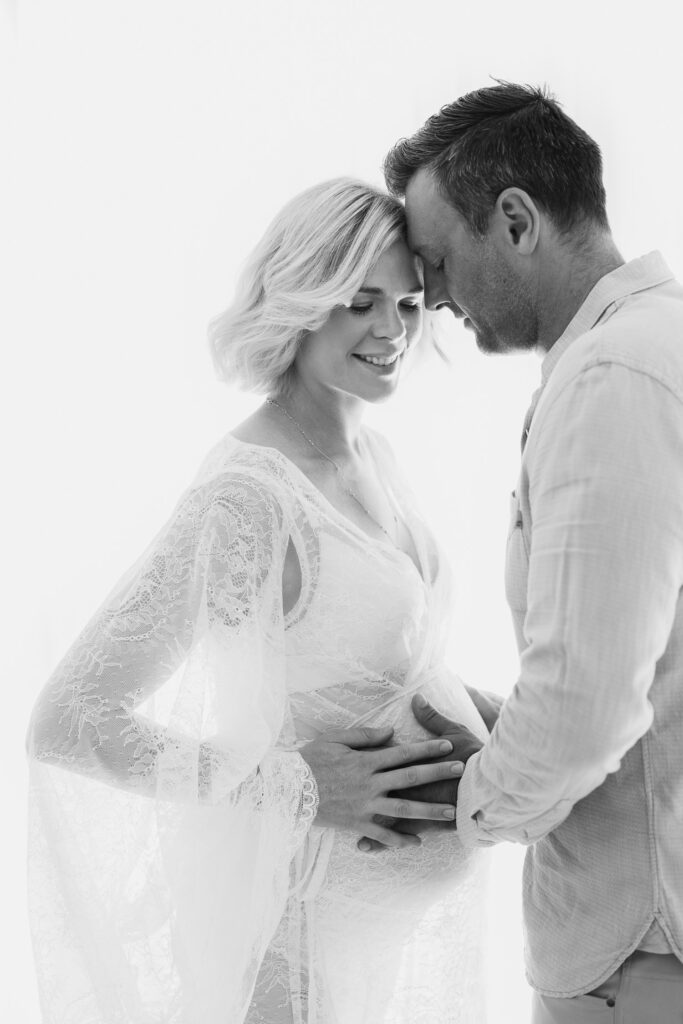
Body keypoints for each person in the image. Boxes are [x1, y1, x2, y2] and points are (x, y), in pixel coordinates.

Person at [26, 178, 499, 1024]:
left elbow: (381, 667)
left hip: (377, 950)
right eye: (360, 303)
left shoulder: (374, 454)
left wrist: (535, 718)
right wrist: (290, 786)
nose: (391, 331)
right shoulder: (248, 497)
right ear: (302, 305)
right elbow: (69, 716)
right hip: (296, 949)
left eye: (409, 305)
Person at [371, 82, 683, 1022]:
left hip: (635, 958)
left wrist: (466, 802)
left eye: (432, 259)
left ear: (514, 220)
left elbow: (588, 710)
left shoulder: (611, 377)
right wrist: (505, 723)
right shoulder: (654, 343)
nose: (425, 298)